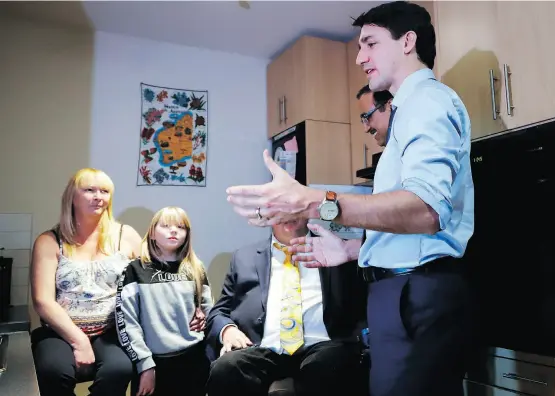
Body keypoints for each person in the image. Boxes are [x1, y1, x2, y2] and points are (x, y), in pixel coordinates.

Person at [224, 2, 475, 396]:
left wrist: (311, 202)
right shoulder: (408, 113)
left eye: (370, 44)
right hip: (403, 294)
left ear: (408, 42)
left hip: (415, 296)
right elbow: (408, 223)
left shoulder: (427, 102)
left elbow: (425, 211)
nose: (360, 57)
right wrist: (353, 248)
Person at [205, 218, 368, 396]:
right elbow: (219, 311)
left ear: (306, 210)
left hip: (322, 345)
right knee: (226, 368)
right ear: (267, 216)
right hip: (262, 347)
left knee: (332, 365)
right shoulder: (244, 257)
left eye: (292, 206)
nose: (286, 214)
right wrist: (227, 329)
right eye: (278, 208)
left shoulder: (335, 250)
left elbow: (361, 303)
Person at [30, 168, 143, 396]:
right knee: (54, 371)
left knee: (119, 369)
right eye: (89, 190)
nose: (98, 196)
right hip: (59, 331)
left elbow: (149, 282)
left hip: (111, 330)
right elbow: (42, 300)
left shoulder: (126, 235)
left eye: (104, 191)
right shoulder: (49, 241)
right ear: (72, 196)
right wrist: (79, 340)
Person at [115, 206, 213, 396]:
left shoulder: (196, 268)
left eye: (180, 227)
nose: (174, 230)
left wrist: (204, 318)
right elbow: (127, 323)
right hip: (153, 364)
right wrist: (145, 365)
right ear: (152, 233)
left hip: (194, 362)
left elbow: (209, 311)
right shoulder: (135, 270)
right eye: (166, 226)